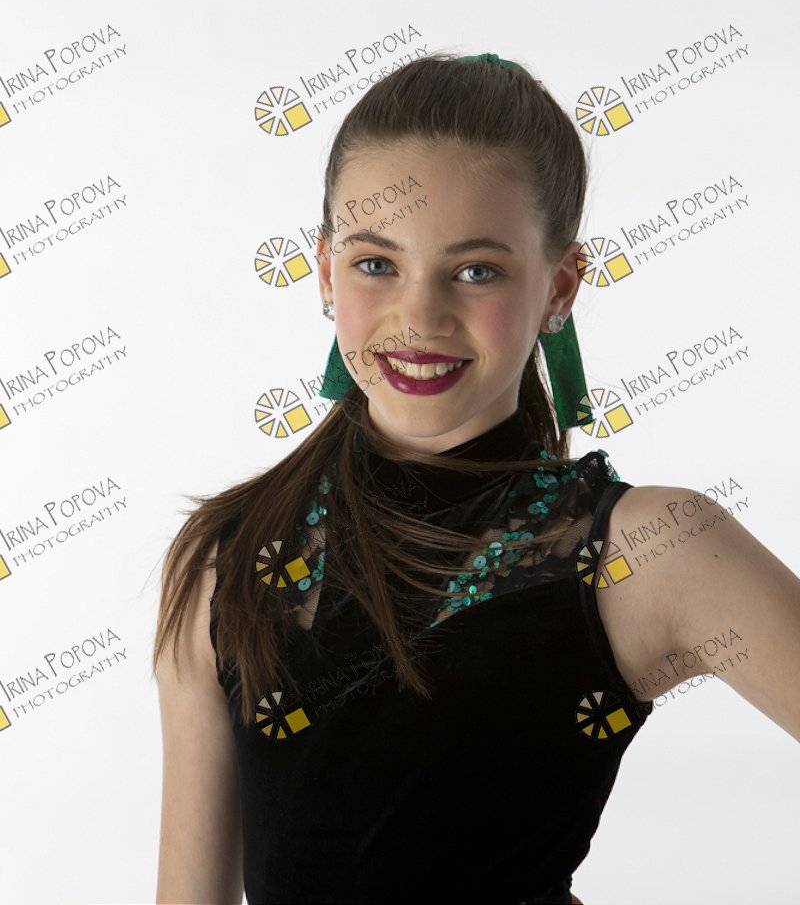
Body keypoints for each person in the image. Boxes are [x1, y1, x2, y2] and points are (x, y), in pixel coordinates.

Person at [152, 52, 800, 905]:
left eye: (476, 270)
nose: (419, 316)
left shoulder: (650, 551)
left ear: (559, 287)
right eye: (376, 263)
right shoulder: (226, 558)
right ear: (325, 269)